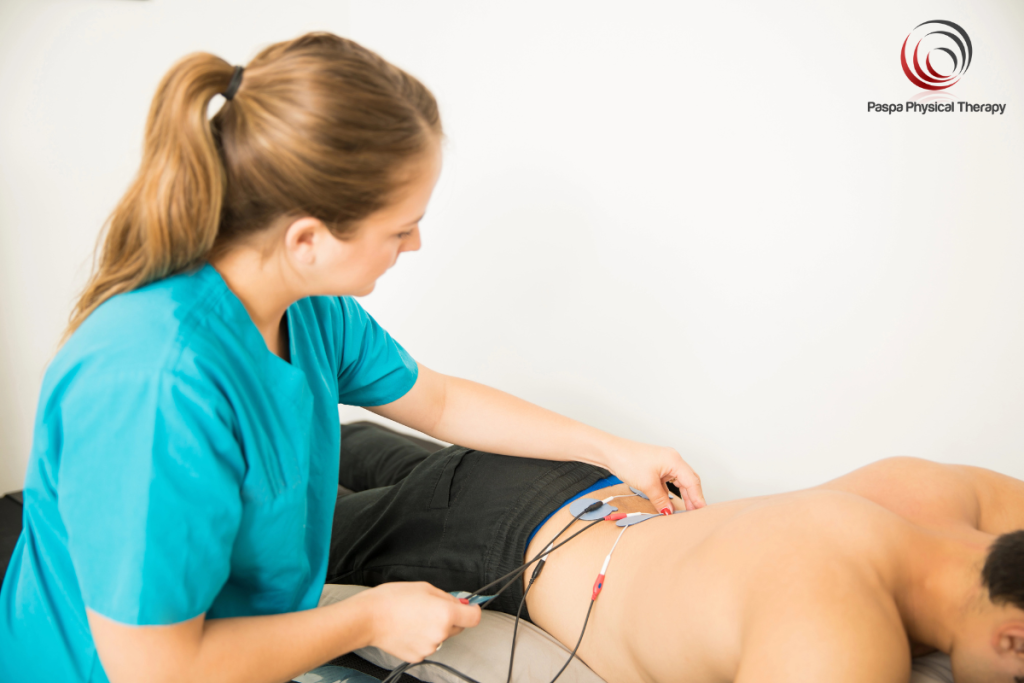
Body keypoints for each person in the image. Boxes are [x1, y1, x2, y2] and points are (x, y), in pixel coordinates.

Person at [0, 32, 708, 683]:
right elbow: (158, 669)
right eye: (401, 228)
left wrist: (615, 449)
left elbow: (441, 401)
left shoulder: (306, 308)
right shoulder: (153, 384)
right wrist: (372, 616)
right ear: (308, 238)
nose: (416, 246)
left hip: (249, 634)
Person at [328, 424, 1024, 683]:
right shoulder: (840, 645)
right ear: (1013, 639)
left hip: (576, 486)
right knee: (292, 526)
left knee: (355, 449)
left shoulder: (948, 495)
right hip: (498, 541)